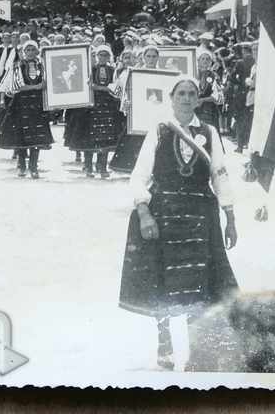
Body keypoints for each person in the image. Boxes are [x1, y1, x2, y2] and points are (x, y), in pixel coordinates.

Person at [118, 76, 238, 371]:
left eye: (192, 94)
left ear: (199, 100)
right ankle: (164, 340)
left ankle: (196, 345)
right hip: (164, 213)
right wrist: (144, 213)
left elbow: (220, 175)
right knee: (163, 278)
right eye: (181, 93)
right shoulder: (159, 130)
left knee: (198, 282)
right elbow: (139, 175)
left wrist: (230, 216)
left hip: (200, 215)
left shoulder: (209, 132)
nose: (186, 99)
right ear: (171, 98)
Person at [0, 40, 54, 179]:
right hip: (21, 105)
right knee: (21, 136)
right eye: (27, 50)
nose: (29, 52)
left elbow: (49, 83)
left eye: (32, 50)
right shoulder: (17, 66)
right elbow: (17, 86)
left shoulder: (43, 66)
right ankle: (22, 165)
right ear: (24, 52)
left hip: (38, 106)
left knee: (37, 136)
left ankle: (34, 167)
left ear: (37, 51)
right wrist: (37, 87)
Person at [65, 46, 122, 178]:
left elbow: (116, 89)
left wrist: (100, 88)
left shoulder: (113, 71)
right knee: (89, 137)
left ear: (109, 57)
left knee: (105, 137)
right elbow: (83, 85)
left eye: (105, 55)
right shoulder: (90, 70)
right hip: (91, 106)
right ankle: (89, 166)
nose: (103, 57)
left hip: (107, 106)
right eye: (100, 55)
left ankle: (102, 166)